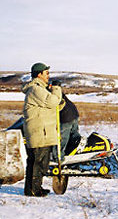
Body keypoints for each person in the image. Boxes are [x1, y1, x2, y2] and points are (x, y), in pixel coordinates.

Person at [22, 62, 63, 197]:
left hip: (42, 132)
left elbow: (51, 106)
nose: (48, 76)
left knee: (39, 163)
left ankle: (33, 188)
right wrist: (57, 89)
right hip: (39, 132)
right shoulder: (36, 89)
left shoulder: (41, 89)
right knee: (37, 163)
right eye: (46, 73)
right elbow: (51, 102)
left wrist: (58, 101)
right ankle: (34, 190)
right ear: (39, 74)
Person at [51, 81, 81, 164]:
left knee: (60, 139)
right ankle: (75, 152)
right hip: (73, 114)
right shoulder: (60, 91)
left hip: (65, 118)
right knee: (74, 135)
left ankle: (58, 158)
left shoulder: (54, 92)